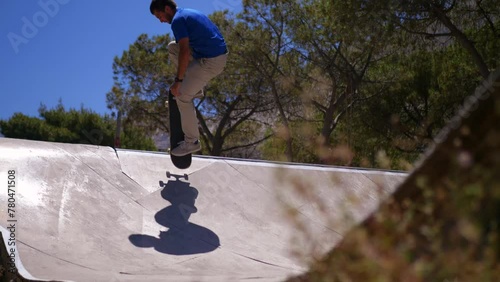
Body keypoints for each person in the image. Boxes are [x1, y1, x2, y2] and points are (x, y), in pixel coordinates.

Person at [150, 0, 228, 156]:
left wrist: (178, 82)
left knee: (182, 97)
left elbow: (185, 52)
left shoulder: (177, 21)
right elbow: (181, 48)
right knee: (173, 48)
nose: (161, 20)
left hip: (211, 61)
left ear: (167, 8)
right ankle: (195, 88)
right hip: (212, 54)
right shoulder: (186, 13)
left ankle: (192, 142)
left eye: (160, 16)